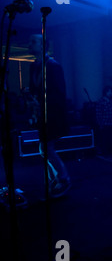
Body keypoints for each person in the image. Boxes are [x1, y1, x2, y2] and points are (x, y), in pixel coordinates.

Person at [28, 34, 71, 198]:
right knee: (44, 149)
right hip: (42, 115)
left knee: (46, 148)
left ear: (42, 46)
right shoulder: (34, 66)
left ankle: (62, 179)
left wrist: (41, 101)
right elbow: (35, 89)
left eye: (33, 42)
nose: (29, 45)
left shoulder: (53, 66)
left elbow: (60, 93)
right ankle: (56, 180)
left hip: (53, 115)